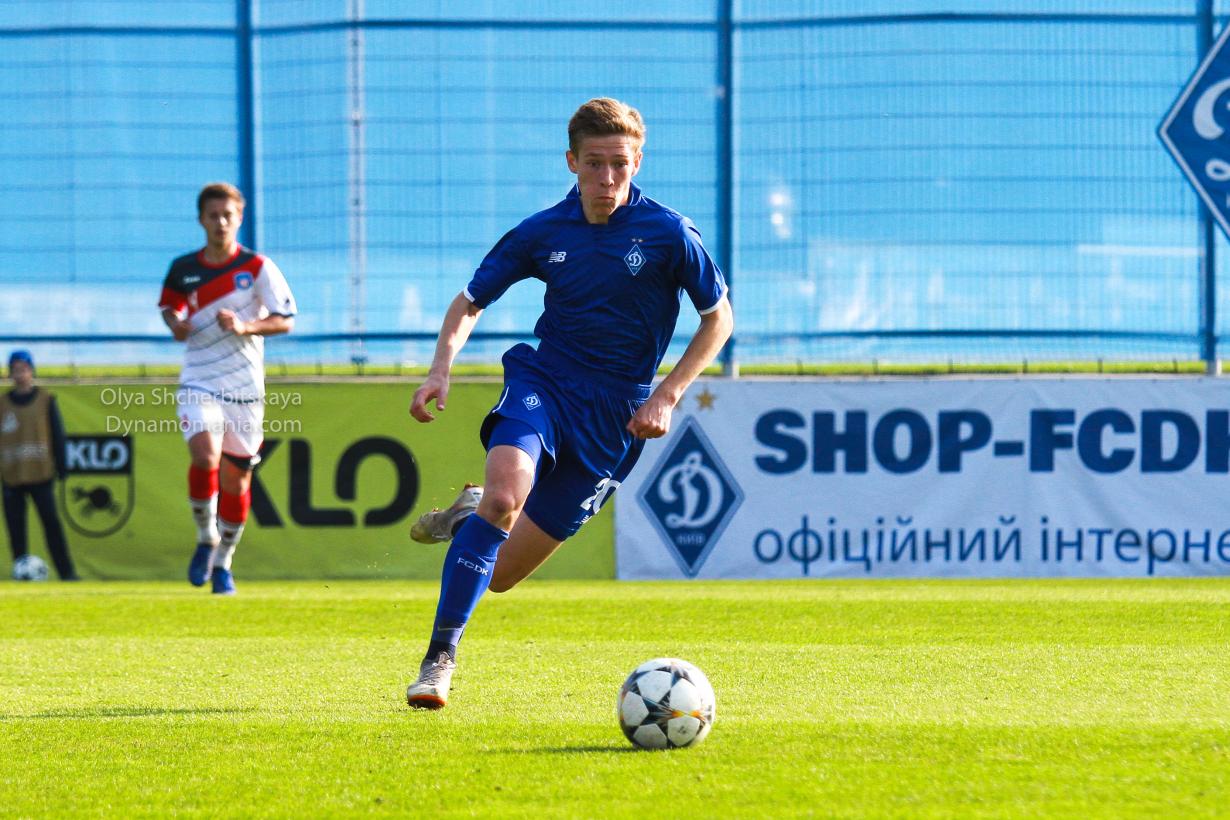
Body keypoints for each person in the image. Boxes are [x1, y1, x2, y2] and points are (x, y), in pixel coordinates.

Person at [404, 98, 733, 709]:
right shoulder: (543, 231)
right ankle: (438, 660)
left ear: (638, 162)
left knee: (500, 575)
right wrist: (439, 370)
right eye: (594, 164)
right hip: (546, 383)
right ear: (572, 162)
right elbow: (470, 301)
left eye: (620, 164)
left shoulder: (669, 233)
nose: (607, 178)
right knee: (506, 496)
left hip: (616, 418)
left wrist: (667, 395)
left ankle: (468, 517)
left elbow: (719, 319)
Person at [158, 182, 297, 595]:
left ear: (239, 218)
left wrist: (246, 325)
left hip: (244, 386)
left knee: (237, 483)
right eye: (213, 215)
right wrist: (176, 324)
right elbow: (170, 308)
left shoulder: (258, 268)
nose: (221, 222)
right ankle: (206, 537)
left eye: (228, 215)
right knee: (205, 455)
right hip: (199, 379)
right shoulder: (183, 268)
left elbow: (285, 320)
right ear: (201, 219)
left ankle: (223, 562)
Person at [1, 350, 78, 581]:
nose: (20, 375)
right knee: (16, 529)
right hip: (12, 475)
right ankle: (20, 571)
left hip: (40, 473)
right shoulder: (3, 404)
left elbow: (57, 434)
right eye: (15, 370)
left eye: (23, 369)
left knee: (51, 525)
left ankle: (67, 573)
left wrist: (62, 466)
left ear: (31, 371)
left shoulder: (46, 400)